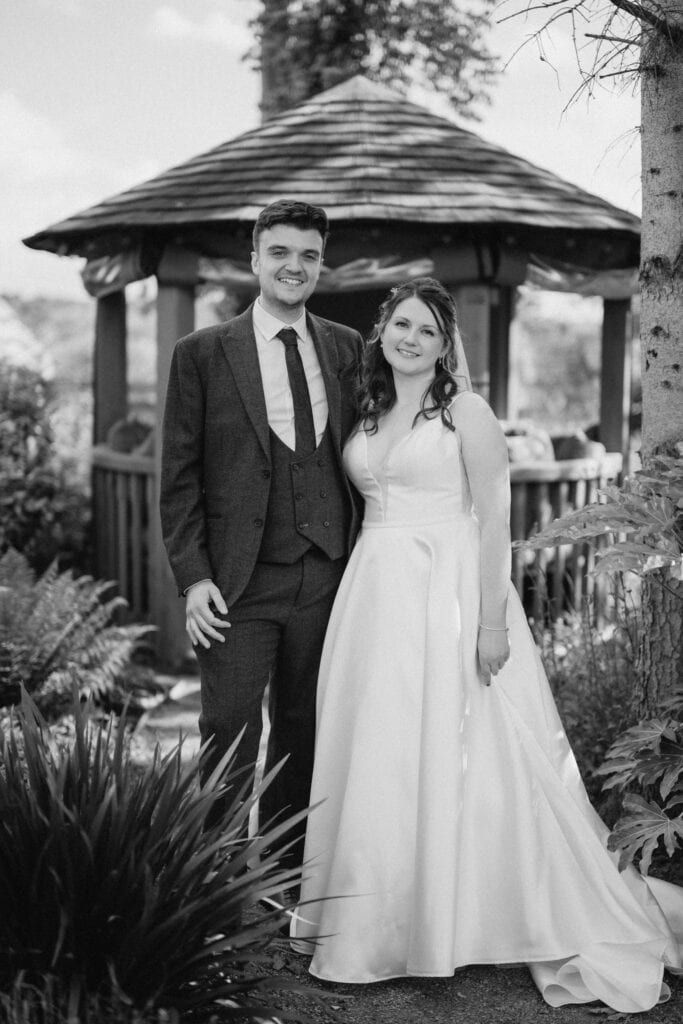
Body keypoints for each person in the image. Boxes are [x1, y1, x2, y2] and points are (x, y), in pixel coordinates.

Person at [291, 278, 683, 1012]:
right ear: (383, 331)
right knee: (379, 750)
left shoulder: (464, 411)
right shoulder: (370, 407)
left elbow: (492, 517)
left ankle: (467, 915)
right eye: (401, 325)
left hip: (447, 592)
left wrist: (491, 621)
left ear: (446, 348)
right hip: (372, 594)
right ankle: (374, 918)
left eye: (427, 332)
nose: (410, 339)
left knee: (464, 749)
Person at [160, 199, 364, 872]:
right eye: (279, 252)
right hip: (237, 582)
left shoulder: (344, 347)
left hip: (327, 574)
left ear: (320, 264)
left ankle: (283, 879)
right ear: (254, 259)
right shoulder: (201, 355)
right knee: (227, 731)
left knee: (304, 731)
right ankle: (214, 882)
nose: (293, 266)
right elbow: (180, 475)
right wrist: (193, 579)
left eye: (308, 254)